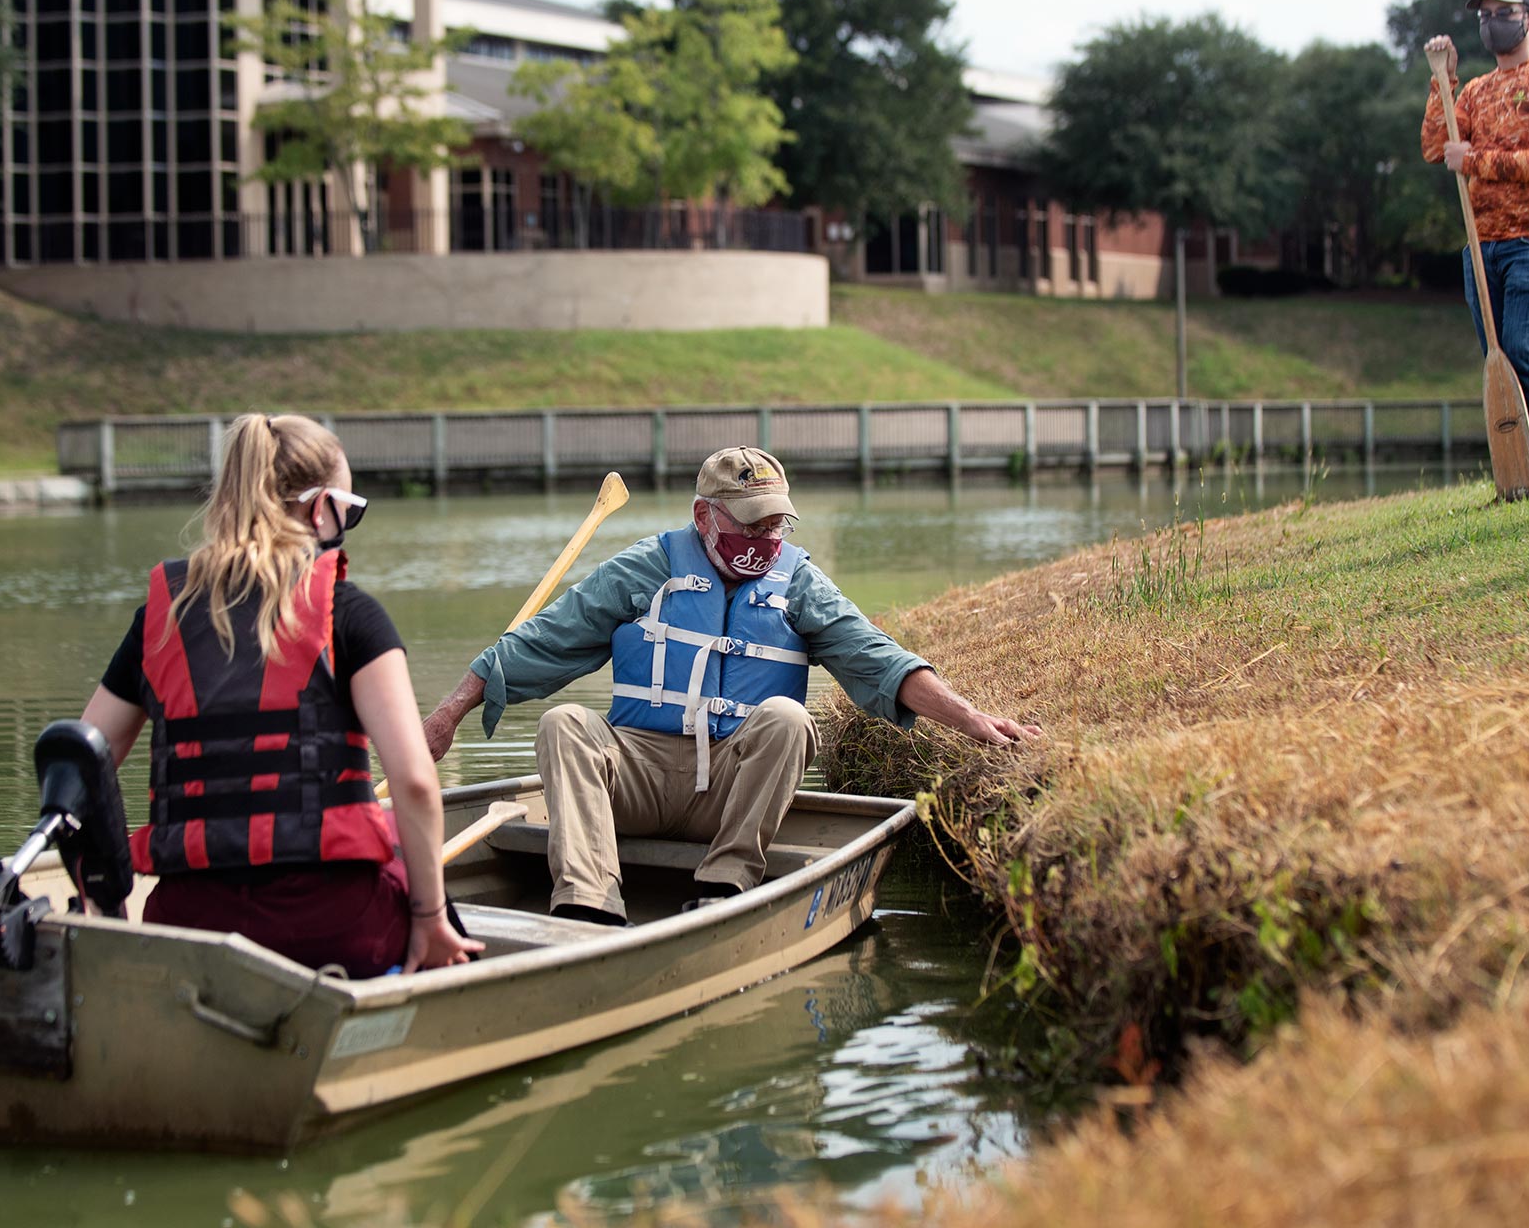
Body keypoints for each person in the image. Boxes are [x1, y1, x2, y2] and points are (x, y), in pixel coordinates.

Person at [419, 447, 1042, 926]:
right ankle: (588, 904)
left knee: (787, 719)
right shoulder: (646, 568)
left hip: (730, 788)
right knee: (565, 725)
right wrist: (447, 715)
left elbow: (878, 658)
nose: (766, 542)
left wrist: (973, 720)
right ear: (703, 516)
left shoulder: (799, 582)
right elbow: (542, 639)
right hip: (639, 775)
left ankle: (726, 884)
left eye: (777, 526)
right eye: (750, 525)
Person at [75, 413, 481, 975]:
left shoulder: (159, 620)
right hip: (333, 924)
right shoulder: (350, 615)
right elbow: (414, 783)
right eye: (350, 511)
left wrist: (104, 894)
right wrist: (431, 917)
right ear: (320, 510)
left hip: (190, 924)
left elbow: (77, 768)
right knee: (443, 930)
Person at [1421, 0, 1529, 491]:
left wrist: (1477, 161)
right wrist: (1443, 80)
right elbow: (1435, 147)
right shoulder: (1474, 90)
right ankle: (1516, 473)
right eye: (1485, 17)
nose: (1492, 24)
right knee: (1499, 355)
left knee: (1522, 346)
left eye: (1504, 14)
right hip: (1481, 243)